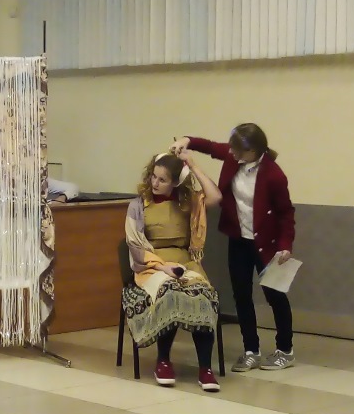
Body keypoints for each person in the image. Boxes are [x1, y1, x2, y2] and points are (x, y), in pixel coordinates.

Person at [171, 124, 296, 371]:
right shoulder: (233, 156)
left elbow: (286, 213)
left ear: (254, 150)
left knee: (275, 296)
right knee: (241, 295)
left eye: (238, 150)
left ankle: (285, 350)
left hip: (267, 244)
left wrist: (285, 245)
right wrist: (187, 140)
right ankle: (251, 350)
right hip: (239, 239)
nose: (233, 153)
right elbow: (210, 147)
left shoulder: (274, 175)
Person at [124, 151, 223, 391]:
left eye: (163, 180)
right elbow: (135, 245)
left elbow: (215, 197)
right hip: (152, 266)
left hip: (185, 263)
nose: (155, 183)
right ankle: (163, 361)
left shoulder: (187, 202)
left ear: (176, 182)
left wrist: (193, 166)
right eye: (154, 177)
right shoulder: (138, 205)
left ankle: (205, 368)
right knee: (169, 293)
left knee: (203, 295)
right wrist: (162, 267)